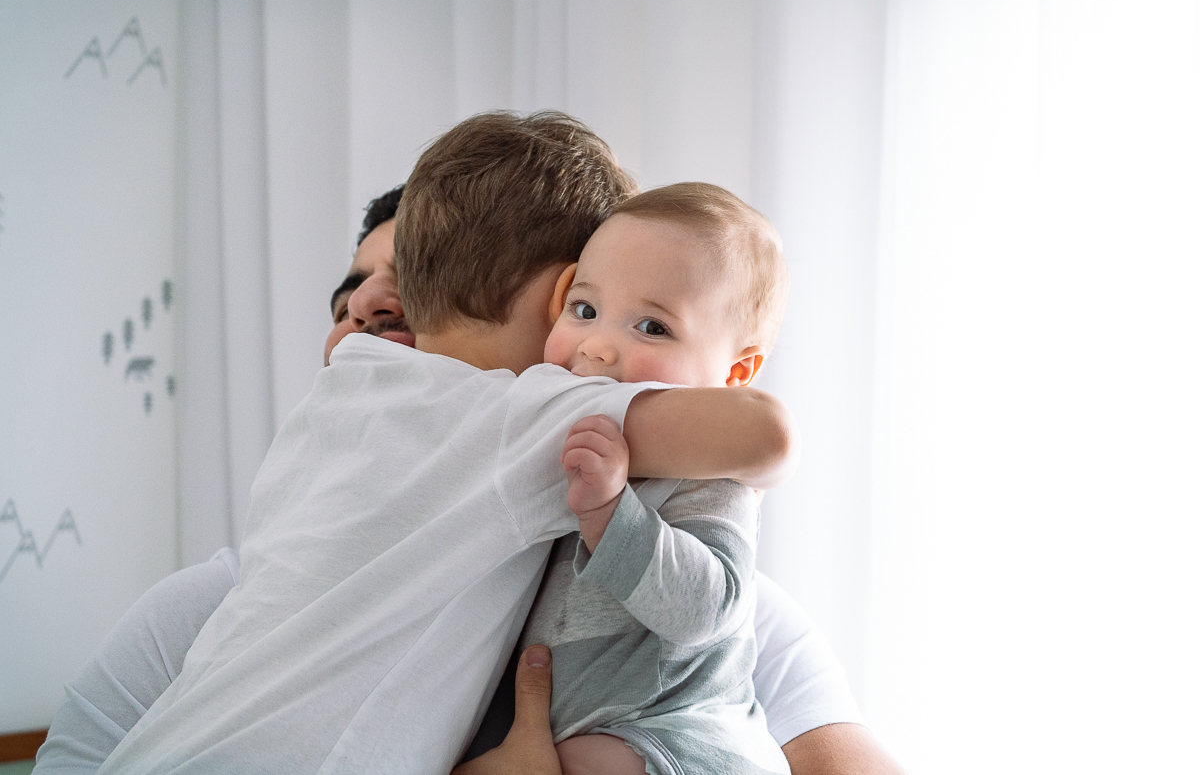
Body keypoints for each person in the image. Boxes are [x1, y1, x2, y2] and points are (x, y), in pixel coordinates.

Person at [36, 158, 901, 775]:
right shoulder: (217, 607)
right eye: (353, 297)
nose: (370, 311)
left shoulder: (710, 586)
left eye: (414, 295)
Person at [512, 182, 790, 775]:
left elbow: (708, 610)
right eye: (584, 311)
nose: (598, 346)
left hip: (677, 739)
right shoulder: (546, 430)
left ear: (735, 372)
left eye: (652, 328)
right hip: (584, 732)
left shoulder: (711, 475)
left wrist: (613, 515)